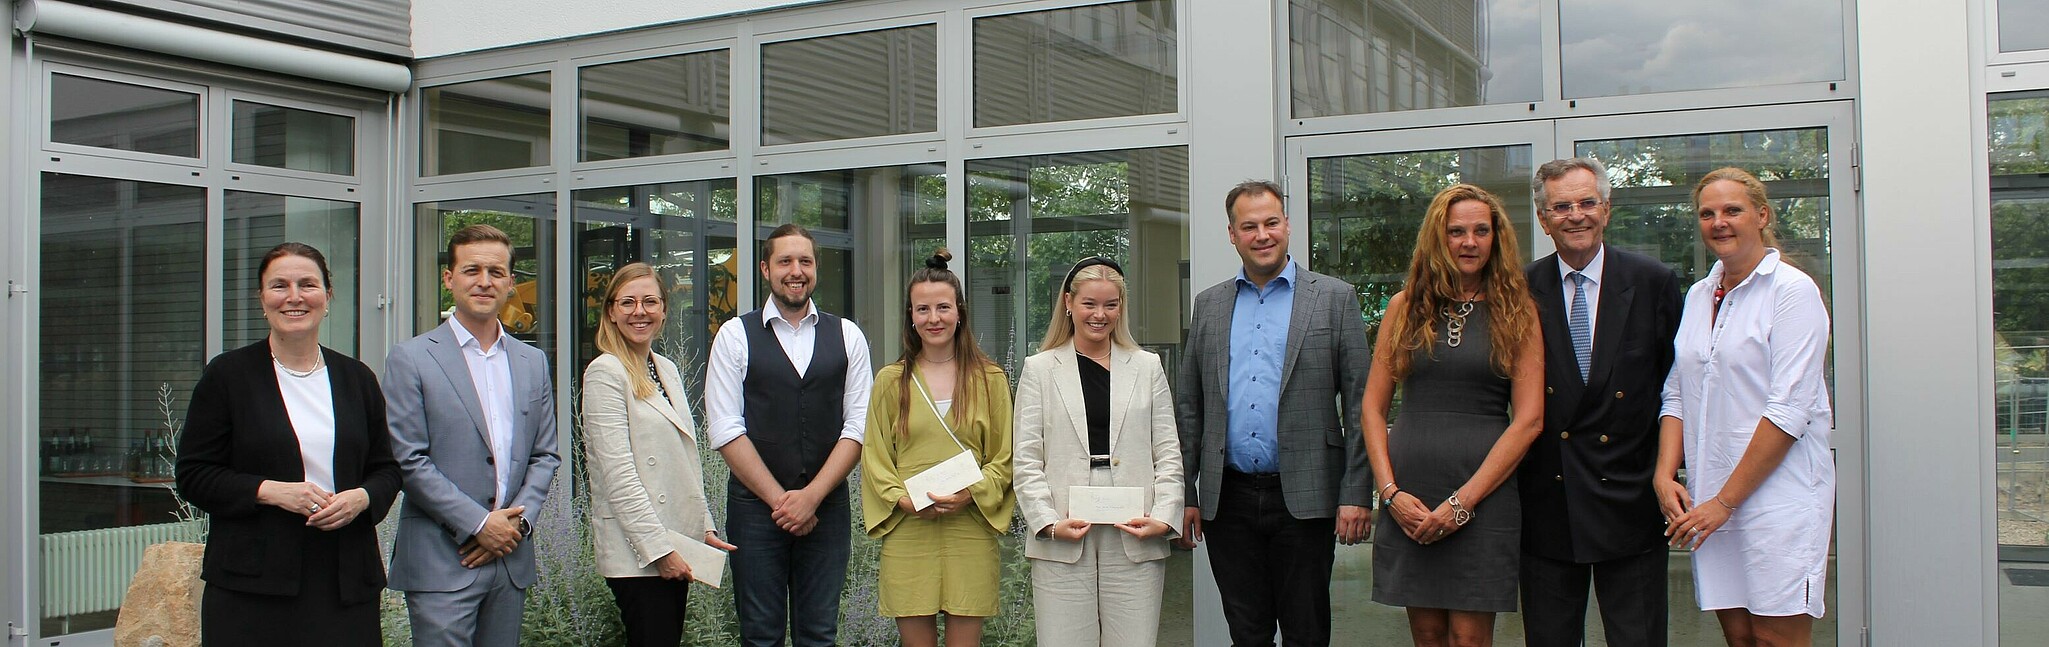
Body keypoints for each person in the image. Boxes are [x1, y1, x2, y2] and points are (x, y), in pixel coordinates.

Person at [174, 242, 402, 647]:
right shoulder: (227, 376)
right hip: (252, 586)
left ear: (327, 297)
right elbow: (194, 475)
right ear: (262, 299)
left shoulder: (357, 378)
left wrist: (362, 498)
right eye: (279, 286)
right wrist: (271, 491)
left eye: (307, 284)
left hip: (345, 580)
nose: (294, 297)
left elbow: (387, 469)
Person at [1176, 180, 1373, 647]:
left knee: (1307, 631)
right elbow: (1189, 406)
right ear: (1232, 234)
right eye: (1249, 226)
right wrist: (1184, 492)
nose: (1262, 234)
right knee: (1247, 632)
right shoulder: (1209, 304)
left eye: (1271, 223)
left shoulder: (1334, 298)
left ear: (1287, 225)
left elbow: (1362, 400)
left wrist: (1356, 492)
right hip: (1229, 500)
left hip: (1306, 497)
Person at [1657, 168, 1834, 647]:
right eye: (1707, 213)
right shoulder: (1698, 295)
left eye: (1732, 210)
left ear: (1762, 215)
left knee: (1776, 637)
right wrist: (1665, 473)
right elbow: (1676, 391)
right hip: (1712, 495)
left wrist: (1725, 503)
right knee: (1738, 636)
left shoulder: (1792, 292)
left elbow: (1788, 411)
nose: (1719, 222)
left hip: (1778, 498)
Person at [1364, 184, 1543, 647]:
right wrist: (1389, 493)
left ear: (1496, 238)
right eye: (1456, 231)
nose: (1469, 242)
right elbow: (1372, 406)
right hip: (1410, 492)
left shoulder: (1516, 309)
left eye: (1481, 231)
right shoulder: (1404, 307)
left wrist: (1463, 503)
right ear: (1437, 239)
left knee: (1469, 637)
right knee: (1426, 634)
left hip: (1484, 494)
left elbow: (1529, 420)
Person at [1519, 157, 1682, 646]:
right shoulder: (1520, 289)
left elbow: (1676, 385)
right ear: (1543, 218)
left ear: (1607, 210)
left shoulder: (1653, 282)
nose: (1576, 215)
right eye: (1561, 206)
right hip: (1549, 501)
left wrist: (1670, 472)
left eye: (1587, 203)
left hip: (1630, 499)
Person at [384, 224, 562, 647]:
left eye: (496, 272)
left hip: (509, 558)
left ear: (511, 283)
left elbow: (546, 455)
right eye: (472, 270)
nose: (485, 281)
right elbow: (408, 459)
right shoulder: (410, 358)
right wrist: (479, 524)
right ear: (449, 279)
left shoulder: (531, 361)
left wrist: (513, 528)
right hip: (442, 560)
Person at [707, 223, 874, 647]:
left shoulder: (848, 335)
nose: (795, 270)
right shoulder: (734, 336)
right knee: (760, 636)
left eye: (805, 261)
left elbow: (857, 426)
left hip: (827, 509)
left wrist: (811, 497)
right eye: (785, 261)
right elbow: (727, 429)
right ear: (765, 269)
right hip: (753, 512)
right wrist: (783, 503)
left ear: (816, 268)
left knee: (819, 634)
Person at [1015, 256, 1184, 647]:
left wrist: (1164, 517)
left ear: (1120, 307)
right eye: (1090, 303)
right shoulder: (1039, 369)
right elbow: (1025, 459)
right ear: (1069, 303)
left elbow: (1168, 453)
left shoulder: (1147, 367)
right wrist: (1047, 522)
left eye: (1110, 304)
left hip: (1135, 527)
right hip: (1063, 528)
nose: (1099, 314)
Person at [858, 250, 1015, 647]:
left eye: (943, 307)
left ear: (959, 311)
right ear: (910, 315)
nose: (934, 318)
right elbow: (876, 458)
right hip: (911, 528)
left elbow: (1005, 457)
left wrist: (972, 493)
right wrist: (902, 499)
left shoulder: (990, 379)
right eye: (922, 308)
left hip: (970, 527)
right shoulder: (891, 381)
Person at [582, 262, 740, 646]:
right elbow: (618, 476)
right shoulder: (605, 373)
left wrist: (703, 525)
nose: (640, 311)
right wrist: (660, 550)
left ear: (664, 310)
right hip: (639, 553)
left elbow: (684, 458)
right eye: (628, 303)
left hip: (675, 540)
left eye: (650, 302)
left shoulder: (663, 368)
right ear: (611, 312)